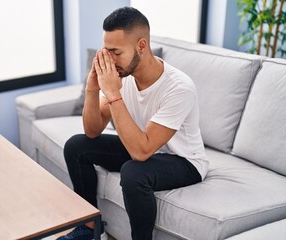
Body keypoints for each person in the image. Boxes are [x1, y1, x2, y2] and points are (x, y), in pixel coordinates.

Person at [57, 6, 208, 240]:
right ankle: (89, 230)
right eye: (107, 51)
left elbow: (141, 152)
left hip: (184, 161)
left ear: (141, 46)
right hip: (144, 148)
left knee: (134, 172)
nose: (110, 60)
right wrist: (92, 87)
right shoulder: (124, 77)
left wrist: (113, 93)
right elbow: (91, 130)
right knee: (77, 146)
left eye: (116, 52)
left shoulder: (178, 87)